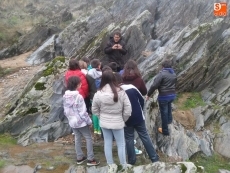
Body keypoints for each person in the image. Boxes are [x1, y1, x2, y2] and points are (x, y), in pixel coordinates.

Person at [115, 73, 159, 165]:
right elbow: (142, 100)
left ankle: (131, 161)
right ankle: (154, 158)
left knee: (129, 138)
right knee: (144, 136)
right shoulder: (131, 87)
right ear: (121, 80)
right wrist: (140, 110)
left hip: (126, 119)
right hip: (138, 116)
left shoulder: (116, 92)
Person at [92, 70, 132, 169]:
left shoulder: (98, 93)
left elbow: (94, 109)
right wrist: (123, 119)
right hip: (118, 122)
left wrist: (101, 117)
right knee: (121, 144)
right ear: (114, 79)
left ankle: (111, 165)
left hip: (104, 123)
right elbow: (128, 110)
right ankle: (123, 165)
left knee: (107, 143)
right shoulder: (121, 92)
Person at [63, 76, 100, 166]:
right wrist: (89, 122)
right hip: (81, 122)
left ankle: (79, 157)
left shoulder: (65, 96)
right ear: (77, 85)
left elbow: (66, 110)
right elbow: (83, 112)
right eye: (80, 83)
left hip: (72, 121)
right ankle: (91, 159)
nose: (81, 84)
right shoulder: (78, 97)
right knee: (88, 138)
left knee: (77, 137)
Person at [146, 59, 177, 136]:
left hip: (164, 96)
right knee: (169, 107)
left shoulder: (162, 74)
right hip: (172, 95)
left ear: (163, 66)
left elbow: (154, 85)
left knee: (164, 113)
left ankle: (165, 131)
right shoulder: (173, 73)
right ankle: (169, 120)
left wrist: (148, 94)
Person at [86, 59, 102, 135]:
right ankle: (100, 129)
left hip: (92, 95)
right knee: (101, 111)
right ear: (99, 66)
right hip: (101, 95)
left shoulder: (88, 75)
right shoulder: (102, 74)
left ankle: (95, 129)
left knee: (94, 112)